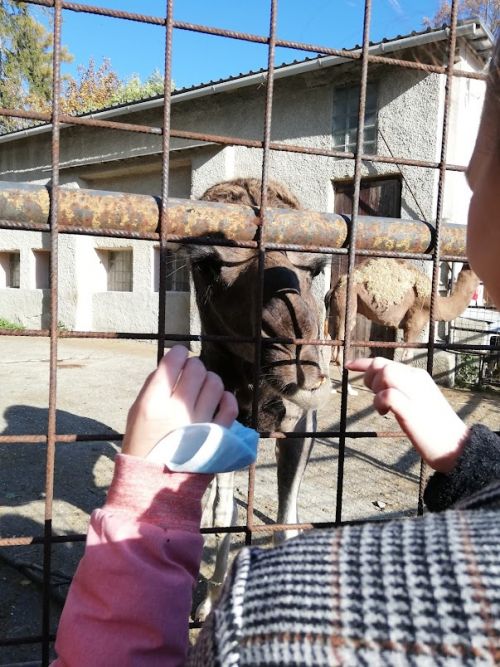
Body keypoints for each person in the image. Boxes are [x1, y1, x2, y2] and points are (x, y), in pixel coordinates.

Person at [53, 35, 500, 666]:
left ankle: (269, 519)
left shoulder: (264, 617)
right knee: (237, 437)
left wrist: (143, 515)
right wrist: (472, 457)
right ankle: (215, 516)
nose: (297, 295)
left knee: (295, 415)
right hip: (233, 358)